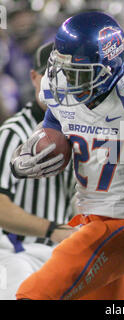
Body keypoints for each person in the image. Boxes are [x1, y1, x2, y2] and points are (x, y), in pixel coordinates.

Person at [10, 11, 124, 300]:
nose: (67, 80)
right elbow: (52, 126)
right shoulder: (59, 89)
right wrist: (35, 149)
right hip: (87, 219)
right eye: (63, 69)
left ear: (109, 66)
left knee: (32, 294)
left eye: (78, 73)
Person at [0, 42, 76, 300]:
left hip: (60, 253)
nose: (57, 84)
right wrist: (51, 229)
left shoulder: (79, 130)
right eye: (50, 74)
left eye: (66, 75)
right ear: (34, 77)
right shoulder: (15, 132)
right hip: (16, 254)